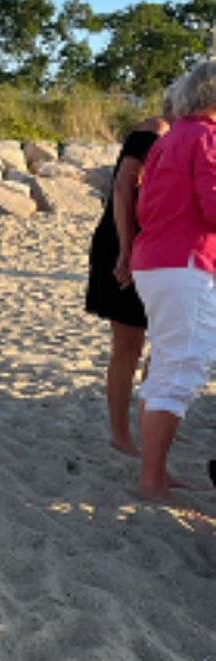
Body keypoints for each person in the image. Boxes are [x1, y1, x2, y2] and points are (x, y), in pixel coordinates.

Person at [131, 59, 216, 499]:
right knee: (182, 368)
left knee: (166, 365)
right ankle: (151, 479)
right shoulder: (205, 137)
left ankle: (155, 473)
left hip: (154, 259)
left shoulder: (170, 139)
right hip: (185, 261)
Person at [85, 88, 176, 453]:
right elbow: (124, 186)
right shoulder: (155, 130)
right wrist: (127, 249)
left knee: (164, 344)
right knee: (128, 346)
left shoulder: (182, 138)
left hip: (155, 248)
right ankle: (121, 432)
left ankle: (149, 423)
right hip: (126, 244)